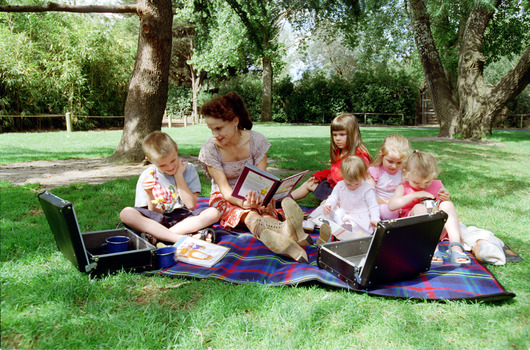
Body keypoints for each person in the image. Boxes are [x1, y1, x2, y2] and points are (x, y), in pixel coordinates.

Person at [198, 91, 311, 263]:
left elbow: (263, 180)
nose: (214, 134)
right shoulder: (210, 149)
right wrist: (244, 203)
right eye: (211, 129)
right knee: (250, 214)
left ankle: (284, 238)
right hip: (226, 197)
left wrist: (264, 201)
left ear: (235, 121)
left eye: (219, 128)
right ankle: (287, 231)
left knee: (264, 213)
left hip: (257, 195)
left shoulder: (257, 141)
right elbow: (226, 191)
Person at [119, 132, 220, 244]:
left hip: (182, 219)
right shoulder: (148, 176)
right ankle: (180, 238)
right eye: (162, 165)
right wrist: (149, 193)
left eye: (173, 160)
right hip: (156, 220)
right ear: (150, 160)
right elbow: (154, 212)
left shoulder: (188, 169)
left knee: (213, 213)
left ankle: (158, 237)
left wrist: (179, 176)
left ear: (176, 149)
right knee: (126, 213)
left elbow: (190, 205)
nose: (170, 167)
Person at [388, 150, 471, 266]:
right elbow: (392, 206)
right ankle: (431, 249)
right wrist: (415, 195)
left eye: (427, 182)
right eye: (416, 183)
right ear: (406, 173)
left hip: (436, 230)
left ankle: (456, 247)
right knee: (419, 208)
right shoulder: (403, 187)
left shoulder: (437, 184)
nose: (422, 186)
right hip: (415, 232)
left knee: (448, 204)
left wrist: (445, 198)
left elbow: (445, 208)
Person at [291, 113, 371, 202]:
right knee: (310, 183)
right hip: (333, 188)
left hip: (347, 195)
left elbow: (362, 181)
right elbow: (333, 171)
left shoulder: (359, 157)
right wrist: (319, 176)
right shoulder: (339, 152)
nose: (337, 138)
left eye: (342, 134)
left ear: (353, 135)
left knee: (326, 205)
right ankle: (281, 201)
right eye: (335, 135)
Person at [316, 156, 379, 244]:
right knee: (325, 209)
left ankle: (339, 234)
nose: (352, 186)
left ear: (363, 177)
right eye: (349, 184)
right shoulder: (340, 185)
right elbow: (333, 197)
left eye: (356, 184)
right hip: (343, 213)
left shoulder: (367, 190)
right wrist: (329, 204)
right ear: (343, 175)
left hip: (358, 217)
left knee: (352, 226)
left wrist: (375, 219)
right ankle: (321, 228)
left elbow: (373, 206)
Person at [366, 134, 411, 220]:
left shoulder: (404, 173)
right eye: (390, 161)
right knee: (387, 211)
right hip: (380, 205)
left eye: (399, 163)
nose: (394, 166)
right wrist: (389, 203)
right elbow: (368, 195)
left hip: (399, 206)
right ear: (382, 155)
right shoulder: (374, 171)